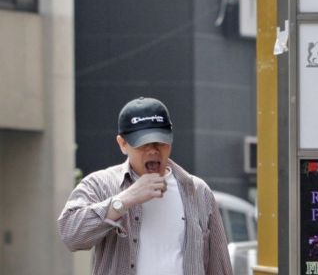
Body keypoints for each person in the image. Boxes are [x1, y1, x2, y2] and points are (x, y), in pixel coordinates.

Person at [57, 97, 232, 275]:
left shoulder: (197, 191)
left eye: (160, 142)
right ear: (123, 144)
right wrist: (125, 200)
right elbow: (71, 235)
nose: (153, 150)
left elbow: (219, 265)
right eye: (143, 143)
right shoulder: (100, 184)